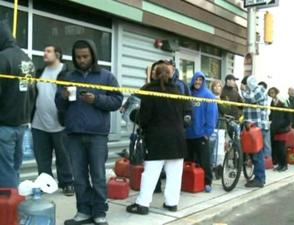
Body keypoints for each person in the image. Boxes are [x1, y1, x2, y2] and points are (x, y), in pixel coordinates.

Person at [56, 40, 123, 225]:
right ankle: (83, 211)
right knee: (78, 176)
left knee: (98, 175)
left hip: (97, 135)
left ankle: (99, 212)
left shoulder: (106, 77)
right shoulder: (69, 76)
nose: (82, 60)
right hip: (74, 134)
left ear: (93, 55)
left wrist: (97, 99)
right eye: (78, 57)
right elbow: (59, 106)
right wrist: (62, 98)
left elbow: (117, 101)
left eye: (85, 56)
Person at [126, 64, 187, 215]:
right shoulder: (178, 91)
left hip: (156, 139)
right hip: (177, 139)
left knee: (150, 174)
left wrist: (132, 114)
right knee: (174, 175)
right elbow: (187, 116)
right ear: (171, 75)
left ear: (154, 75)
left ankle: (143, 204)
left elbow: (144, 118)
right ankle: (172, 203)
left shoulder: (148, 90)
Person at [31, 45, 74, 196]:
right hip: (38, 122)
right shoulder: (39, 72)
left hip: (59, 123)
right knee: (42, 157)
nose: (44, 53)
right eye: (44, 51)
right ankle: (44, 184)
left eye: (48, 51)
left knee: (64, 156)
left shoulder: (67, 73)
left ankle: (67, 183)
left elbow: (72, 97)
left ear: (58, 54)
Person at [0, 23, 36, 188]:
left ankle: (8, 208)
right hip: (22, 123)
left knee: (5, 169)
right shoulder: (27, 59)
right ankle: (15, 202)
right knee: (14, 166)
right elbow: (33, 92)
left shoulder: (3, 58)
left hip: (5, 124)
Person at [186, 71, 218, 193]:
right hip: (188, 134)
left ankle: (207, 182)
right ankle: (191, 182)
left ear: (203, 81)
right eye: (196, 79)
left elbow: (212, 116)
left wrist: (207, 132)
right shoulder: (188, 93)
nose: (198, 82)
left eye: (200, 80)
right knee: (189, 161)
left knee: (204, 160)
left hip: (201, 134)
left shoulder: (208, 95)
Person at [241, 75, 267, 188]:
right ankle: (258, 176)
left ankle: (259, 179)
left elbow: (251, 98)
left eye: (246, 85)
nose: (245, 87)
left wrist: (242, 91)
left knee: (257, 154)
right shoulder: (251, 91)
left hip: (258, 127)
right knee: (253, 153)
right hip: (251, 127)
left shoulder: (259, 89)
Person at [268, 87, 291, 172]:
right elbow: (272, 114)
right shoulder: (272, 102)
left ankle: (284, 165)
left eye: (273, 92)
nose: (272, 94)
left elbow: (288, 115)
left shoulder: (282, 101)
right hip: (275, 128)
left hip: (282, 128)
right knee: (276, 147)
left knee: (281, 148)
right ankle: (279, 164)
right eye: (270, 93)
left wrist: (284, 124)